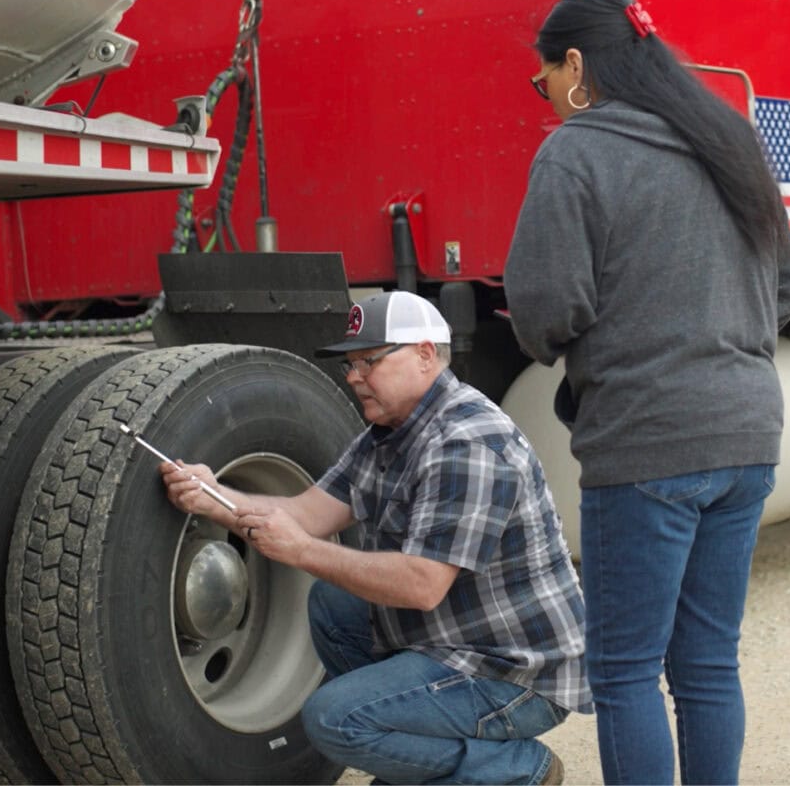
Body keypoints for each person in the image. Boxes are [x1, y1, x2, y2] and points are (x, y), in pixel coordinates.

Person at [504, 0, 790, 785]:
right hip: (747, 434)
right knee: (707, 665)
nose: (548, 99)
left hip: (647, 444)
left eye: (543, 83)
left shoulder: (578, 150)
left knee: (626, 669)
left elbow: (546, 308)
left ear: (575, 64)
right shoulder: (729, 136)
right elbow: (783, 292)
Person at [160, 290, 589, 786]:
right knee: (331, 604)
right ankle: (418, 758)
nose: (353, 376)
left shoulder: (466, 444)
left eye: (369, 361)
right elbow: (305, 513)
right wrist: (216, 497)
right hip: (456, 639)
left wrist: (301, 551)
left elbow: (421, 586)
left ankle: (518, 771)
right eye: (350, 363)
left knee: (333, 718)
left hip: (514, 673)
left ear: (425, 354)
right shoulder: (391, 433)